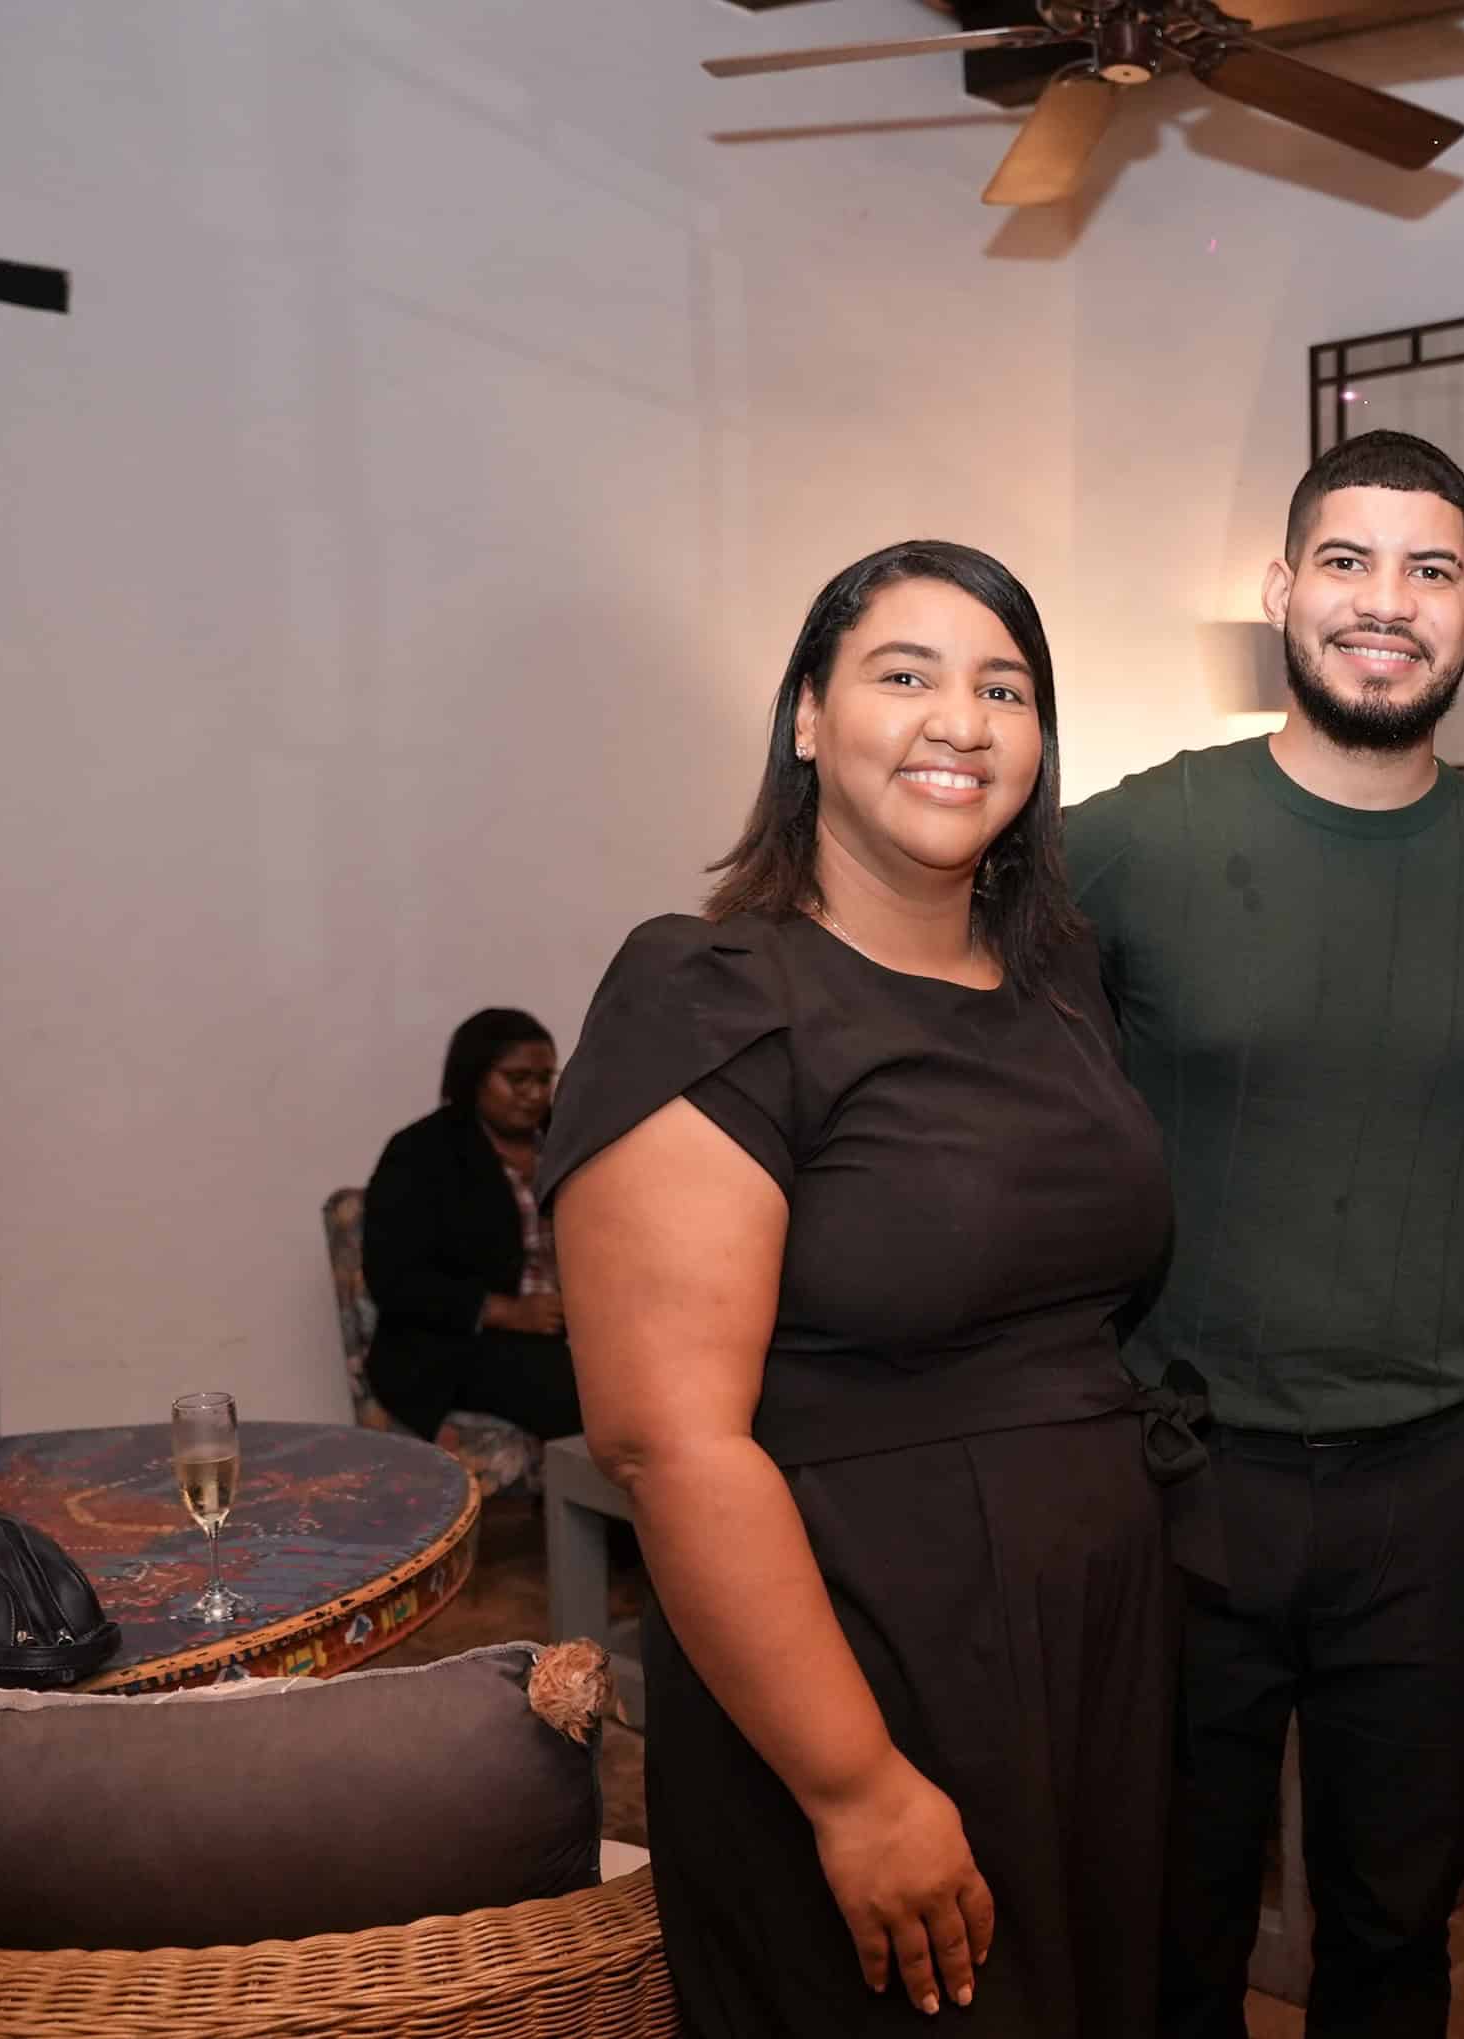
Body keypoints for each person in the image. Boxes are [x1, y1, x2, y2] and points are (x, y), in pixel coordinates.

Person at [539, 541, 1177, 2037]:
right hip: (856, 1649)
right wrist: (856, 1784)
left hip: (1094, 1642)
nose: (962, 718)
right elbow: (670, 1442)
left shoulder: (1058, 985)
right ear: (810, 718)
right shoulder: (710, 990)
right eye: (906, 674)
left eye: (1004, 686)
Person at [1067, 429, 1464, 2039]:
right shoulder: (1125, 842)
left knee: (1393, 1930)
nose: (1387, 603)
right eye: (1349, 563)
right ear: (1284, 591)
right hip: (1179, 1474)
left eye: (1429, 569)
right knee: (1170, 1925)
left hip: (1431, 1483)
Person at [360, 1008, 583, 1442]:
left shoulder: (566, 1141)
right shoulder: (420, 1153)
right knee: (579, 1389)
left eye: (545, 1078)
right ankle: (589, 1511)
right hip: (453, 1345)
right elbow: (392, 1278)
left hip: (567, 1332)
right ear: (474, 1076)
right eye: (518, 1079)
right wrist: (508, 1311)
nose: (535, 1093)